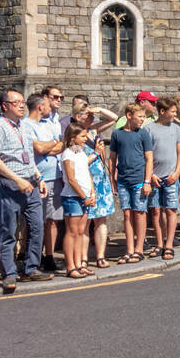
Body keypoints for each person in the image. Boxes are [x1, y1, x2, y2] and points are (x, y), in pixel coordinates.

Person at [0, 89, 51, 292]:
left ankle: (31, 267)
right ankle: (9, 273)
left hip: (30, 182)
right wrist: (17, 179)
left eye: (23, 102)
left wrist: (38, 177)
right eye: (17, 103)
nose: (22, 105)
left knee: (37, 226)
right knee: (8, 231)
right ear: (5, 106)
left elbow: (28, 155)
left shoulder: (25, 126)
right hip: (11, 184)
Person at [22, 92, 64, 273]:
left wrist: (49, 146)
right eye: (47, 104)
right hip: (37, 180)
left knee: (52, 220)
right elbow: (37, 148)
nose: (50, 108)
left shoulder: (48, 125)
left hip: (54, 177)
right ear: (40, 107)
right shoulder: (25, 125)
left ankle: (49, 256)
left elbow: (62, 145)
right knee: (35, 221)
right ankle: (32, 258)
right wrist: (50, 145)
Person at [108, 102, 154, 263]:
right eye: (140, 116)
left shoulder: (143, 134)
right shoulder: (117, 134)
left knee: (140, 213)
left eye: (143, 117)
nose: (142, 120)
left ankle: (139, 249)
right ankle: (129, 249)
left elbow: (149, 158)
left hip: (139, 180)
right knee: (127, 213)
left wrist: (147, 180)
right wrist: (112, 178)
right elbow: (112, 158)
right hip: (123, 180)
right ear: (129, 116)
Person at [75, 105, 117, 267]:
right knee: (85, 223)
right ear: (78, 117)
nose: (91, 118)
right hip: (85, 182)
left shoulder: (92, 131)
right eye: (87, 115)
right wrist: (95, 153)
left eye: (92, 116)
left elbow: (113, 118)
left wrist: (98, 109)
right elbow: (78, 164)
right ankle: (83, 257)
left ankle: (100, 256)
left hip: (100, 182)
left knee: (101, 221)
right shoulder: (74, 136)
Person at [145, 98, 180, 260]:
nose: (176, 114)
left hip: (171, 176)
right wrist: (151, 175)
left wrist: (177, 173)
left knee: (170, 209)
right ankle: (159, 243)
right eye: (173, 112)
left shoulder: (176, 129)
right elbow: (146, 154)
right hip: (155, 176)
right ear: (162, 112)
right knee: (155, 211)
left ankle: (169, 244)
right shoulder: (148, 129)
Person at [57, 122, 96, 278]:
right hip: (72, 197)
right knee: (72, 232)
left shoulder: (81, 153)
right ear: (73, 138)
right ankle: (71, 266)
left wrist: (92, 193)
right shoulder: (67, 154)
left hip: (84, 197)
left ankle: (79, 264)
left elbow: (87, 174)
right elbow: (71, 179)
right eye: (82, 136)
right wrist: (84, 197)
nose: (85, 139)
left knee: (80, 232)